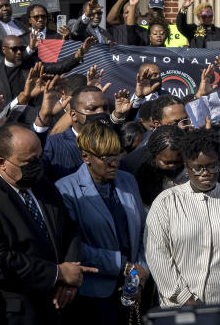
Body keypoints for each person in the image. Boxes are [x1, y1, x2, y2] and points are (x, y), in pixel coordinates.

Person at [0, 124, 92, 324]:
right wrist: (57, 273)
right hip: (16, 313)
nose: (38, 165)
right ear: (2, 162)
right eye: (29, 161)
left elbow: (69, 227)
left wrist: (70, 273)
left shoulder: (40, 183)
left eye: (39, 157)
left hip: (58, 306)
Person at [144, 129, 220, 311]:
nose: (205, 173)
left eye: (212, 166)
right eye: (198, 168)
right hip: (180, 311)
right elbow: (157, 255)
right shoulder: (166, 202)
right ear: (186, 166)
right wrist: (186, 299)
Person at [56, 122, 148, 323]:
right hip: (94, 296)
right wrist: (124, 266)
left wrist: (138, 274)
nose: (114, 163)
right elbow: (74, 247)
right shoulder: (66, 190)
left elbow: (142, 231)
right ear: (85, 156)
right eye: (107, 158)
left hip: (132, 289)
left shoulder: (128, 180)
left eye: (117, 155)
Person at [133, 125, 187, 208]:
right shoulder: (143, 180)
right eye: (167, 162)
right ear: (154, 157)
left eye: (178, 162)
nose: (173, 167)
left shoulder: (193, 173)